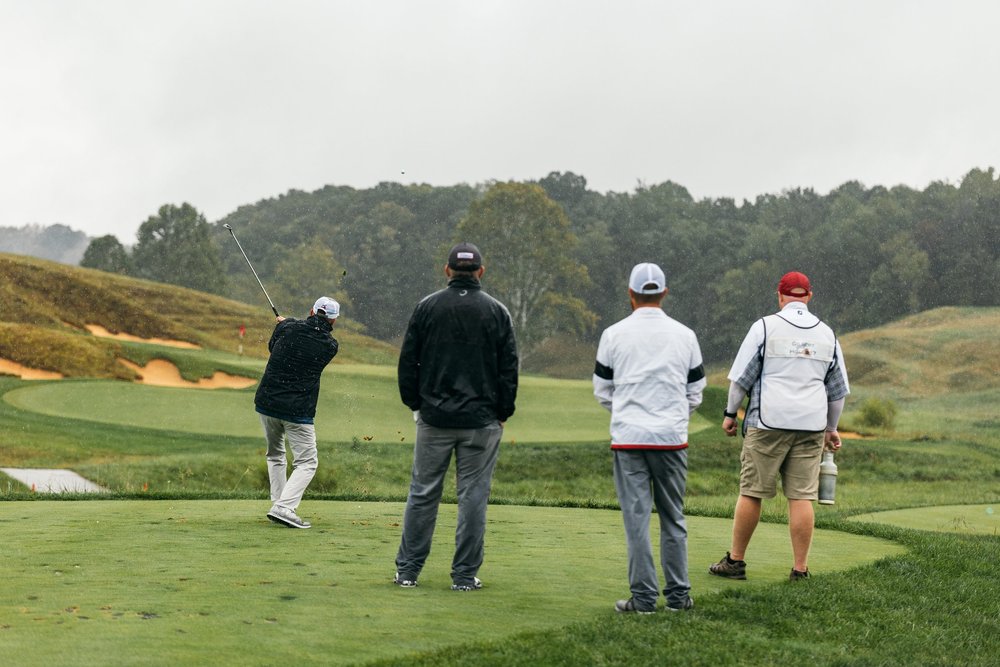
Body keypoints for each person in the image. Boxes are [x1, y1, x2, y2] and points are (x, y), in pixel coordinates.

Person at [393, 242, 518, 591]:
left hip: (434, 419)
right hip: (482, 421)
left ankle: (408, 572)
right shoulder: (497, 312)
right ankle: (463, 576)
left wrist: (415, 404)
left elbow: (408, 362)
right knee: (473, 497)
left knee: (423, 493)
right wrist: (503, 411)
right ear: (481, 271)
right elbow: (509, 368)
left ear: (447, 270)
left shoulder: (427, 307)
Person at [709, 271, 849, 581]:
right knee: (801, 497)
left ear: (780, 295)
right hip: (811, 426)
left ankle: (735, 562)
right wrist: (831, 427)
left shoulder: (764, 327)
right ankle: (800, 569)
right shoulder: (828, 334)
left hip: (767, 422)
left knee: (752, 492)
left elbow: (740, 379)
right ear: (808, 296)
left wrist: (730, 414)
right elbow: (837, 391)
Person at [593, 262, 705, 613]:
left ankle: (642, 600)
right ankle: (677, 597)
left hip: (629, 439)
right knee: (673, 518)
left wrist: (629, 416)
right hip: (671, 439)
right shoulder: (685, 335)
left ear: (631, 294)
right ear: (664, 293)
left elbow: (603, 391)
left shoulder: (613, 334)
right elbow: (696, 392)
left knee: (636, 521)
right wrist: (670, 418)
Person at [254, 296, 340, 529]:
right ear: (333, 320)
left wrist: (283, 324)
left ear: (312, 311)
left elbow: (274, 347)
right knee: (307, 462)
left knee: (275, 454)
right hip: (297, 410)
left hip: (267, 403)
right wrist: (286, 324)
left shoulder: (288, 327)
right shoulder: (330, 346)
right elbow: (307, 339)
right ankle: (284, 507)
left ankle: (278, 503)